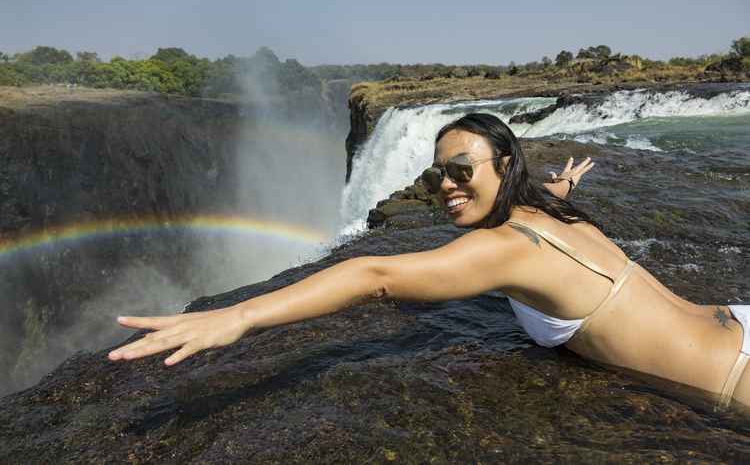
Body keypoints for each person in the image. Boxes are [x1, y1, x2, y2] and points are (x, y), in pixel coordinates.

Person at [108, 113, 749, 411]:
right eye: (439, 173)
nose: (445, 185)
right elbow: (541, 198)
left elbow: (374, 275)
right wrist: (565, 186)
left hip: (731, 378)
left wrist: (240, 317)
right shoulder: (546, 214)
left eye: (461, 170)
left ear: (504, 167)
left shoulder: (500, 249)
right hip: (735, 324)